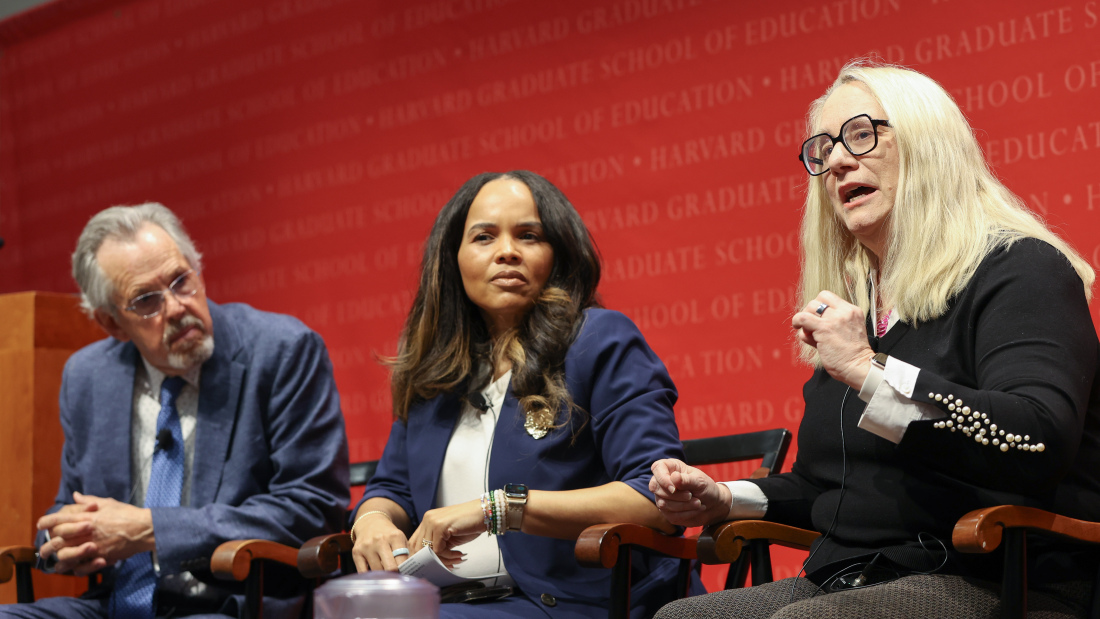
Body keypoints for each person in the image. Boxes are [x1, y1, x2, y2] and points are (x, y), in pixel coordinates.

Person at [650, 61, 1100, 618]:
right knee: (682, 616)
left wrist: (868, 368)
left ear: (926, 144)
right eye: (824, 148)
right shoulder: (864, 306)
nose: (836, 160)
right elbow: (831, 486)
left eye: (861, 135)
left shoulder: (1021, 268)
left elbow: (1036, 435)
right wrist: (726, 497)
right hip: (859, 575)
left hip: (999, 577)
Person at [348, 170, 693, 617]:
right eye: (484, 237)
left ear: (559, 254)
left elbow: (655, 497)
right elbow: (390, 487)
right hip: (448, 600)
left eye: (529, 236)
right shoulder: (437, 375)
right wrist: (372, 519)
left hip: (568, 602)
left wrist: (498, 509)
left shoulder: (599, 340)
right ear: (452, 258)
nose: (507, 252)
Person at [0, 203, 350, 619]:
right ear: (111, 323)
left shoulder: (281, 351)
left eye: (182, 281)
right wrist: (65, 538)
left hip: (234, 603)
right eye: (146, 300)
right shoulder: (87, 376)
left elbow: (312, 509)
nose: (177, 306)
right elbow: (69, 504)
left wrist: (150, 529)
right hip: (113, 606)